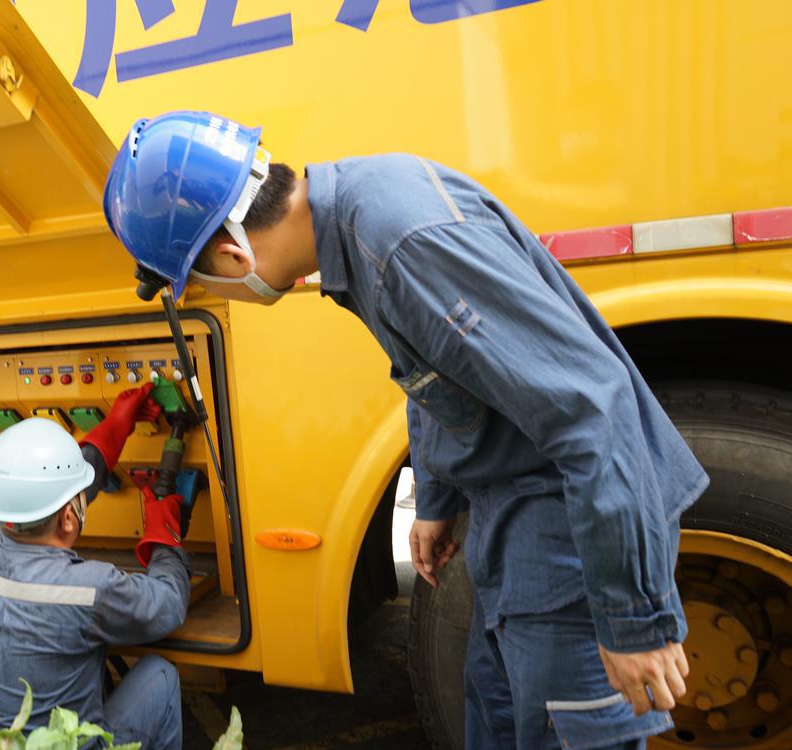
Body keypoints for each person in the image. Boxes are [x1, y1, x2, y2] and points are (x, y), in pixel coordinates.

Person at [101, 111, 709, 749]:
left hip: (565, 536)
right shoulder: (361, 219)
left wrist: (634, 622)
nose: (223, 296)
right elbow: (435, 371)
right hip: (513, 524)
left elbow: (592, 411)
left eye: (199, 282)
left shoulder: (401, 244)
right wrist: (438, 498)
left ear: (232, 254)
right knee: (495, 720)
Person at [0, 383, 189, 750]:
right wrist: (164, 532)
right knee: (160, 674)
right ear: (67, 519)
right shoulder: (87, 588)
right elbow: (168, 604)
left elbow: (40, 498)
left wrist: (116, 425)